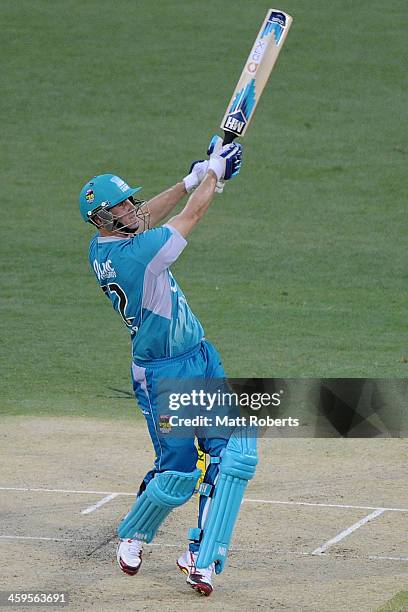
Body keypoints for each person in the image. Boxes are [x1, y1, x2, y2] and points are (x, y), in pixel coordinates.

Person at [79, 137, 244, 596]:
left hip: (199, 355)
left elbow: (152, 212)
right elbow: (191, 216)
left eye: (131, 202)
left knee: (230, 456)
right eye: (123, 207)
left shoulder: (102, 247)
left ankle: (202, 554)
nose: (134, 209)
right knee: (178, 470)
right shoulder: (138, 256)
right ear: (103, 218)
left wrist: (190, 178)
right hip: (162, 373)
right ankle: (135, 529)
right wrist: (214, 175)